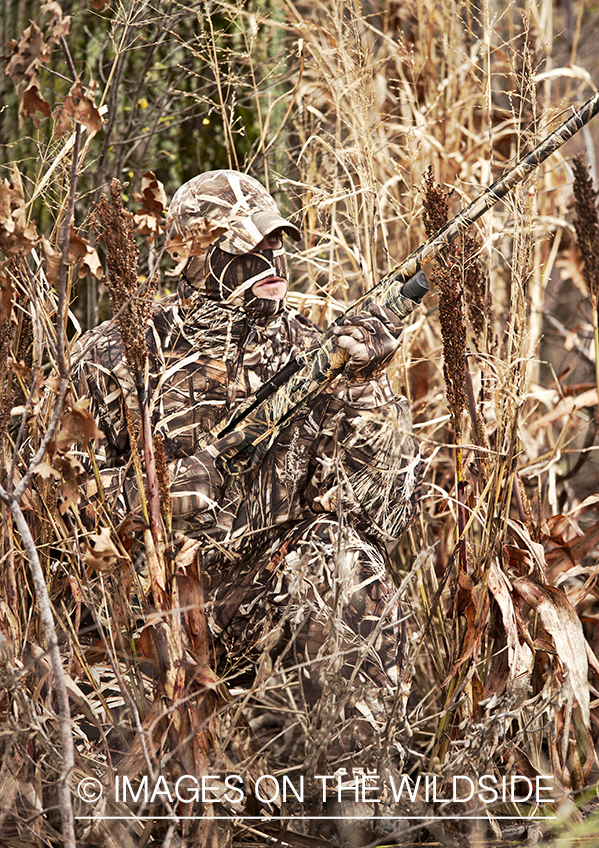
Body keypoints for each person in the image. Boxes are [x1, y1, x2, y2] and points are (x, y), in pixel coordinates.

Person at [76, 169, 422, 791]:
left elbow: (374, 513)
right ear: (195, 255)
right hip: (144, 610)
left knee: (344, 560)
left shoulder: (313, 352)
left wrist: (367, 390)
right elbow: (54, 500)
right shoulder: (115, 355)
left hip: (256, 600)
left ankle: (353, 798)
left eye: (277, 242)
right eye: (248, 249)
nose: (274, 258)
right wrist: (148, 498)